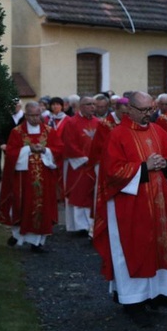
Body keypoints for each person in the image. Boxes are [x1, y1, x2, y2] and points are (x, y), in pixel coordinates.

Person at [92, 92, 167, 328]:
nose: (148, 114)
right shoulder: (117, 134)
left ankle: (159, 294)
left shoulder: (159, 131)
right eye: (142, 110)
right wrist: (144, 167)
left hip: (159, 202)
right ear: (128, 109)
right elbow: (112, 171)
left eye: (150, 109)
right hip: (130, 205)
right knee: (135, 248)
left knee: (160, 246)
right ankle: (134, 301)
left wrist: (165, 164)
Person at [0, 102, 62, 253]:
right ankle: (17, 236)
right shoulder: (17, 132)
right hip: (23, 178)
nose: (35, 118)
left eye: (37, 115)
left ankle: (38, 242)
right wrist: (28, 149)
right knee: (22, 205)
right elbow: (11, 153)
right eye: (32, 115)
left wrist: (45, 150)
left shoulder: (49, 131)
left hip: (44, 177)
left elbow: (59, 150)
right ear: (26, 115)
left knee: (43, 207)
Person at [62, 96, 99, 236]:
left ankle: (90, 225)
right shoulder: (72, 122)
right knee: (79, 194)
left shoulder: (98, 122)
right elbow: (69, 143)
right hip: (78, 165)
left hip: (94, 165)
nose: (92, 107)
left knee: (90, 195)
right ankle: (79, 226)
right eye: (88, 104)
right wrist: (84, 159)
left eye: (93, 104)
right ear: (81, 106)